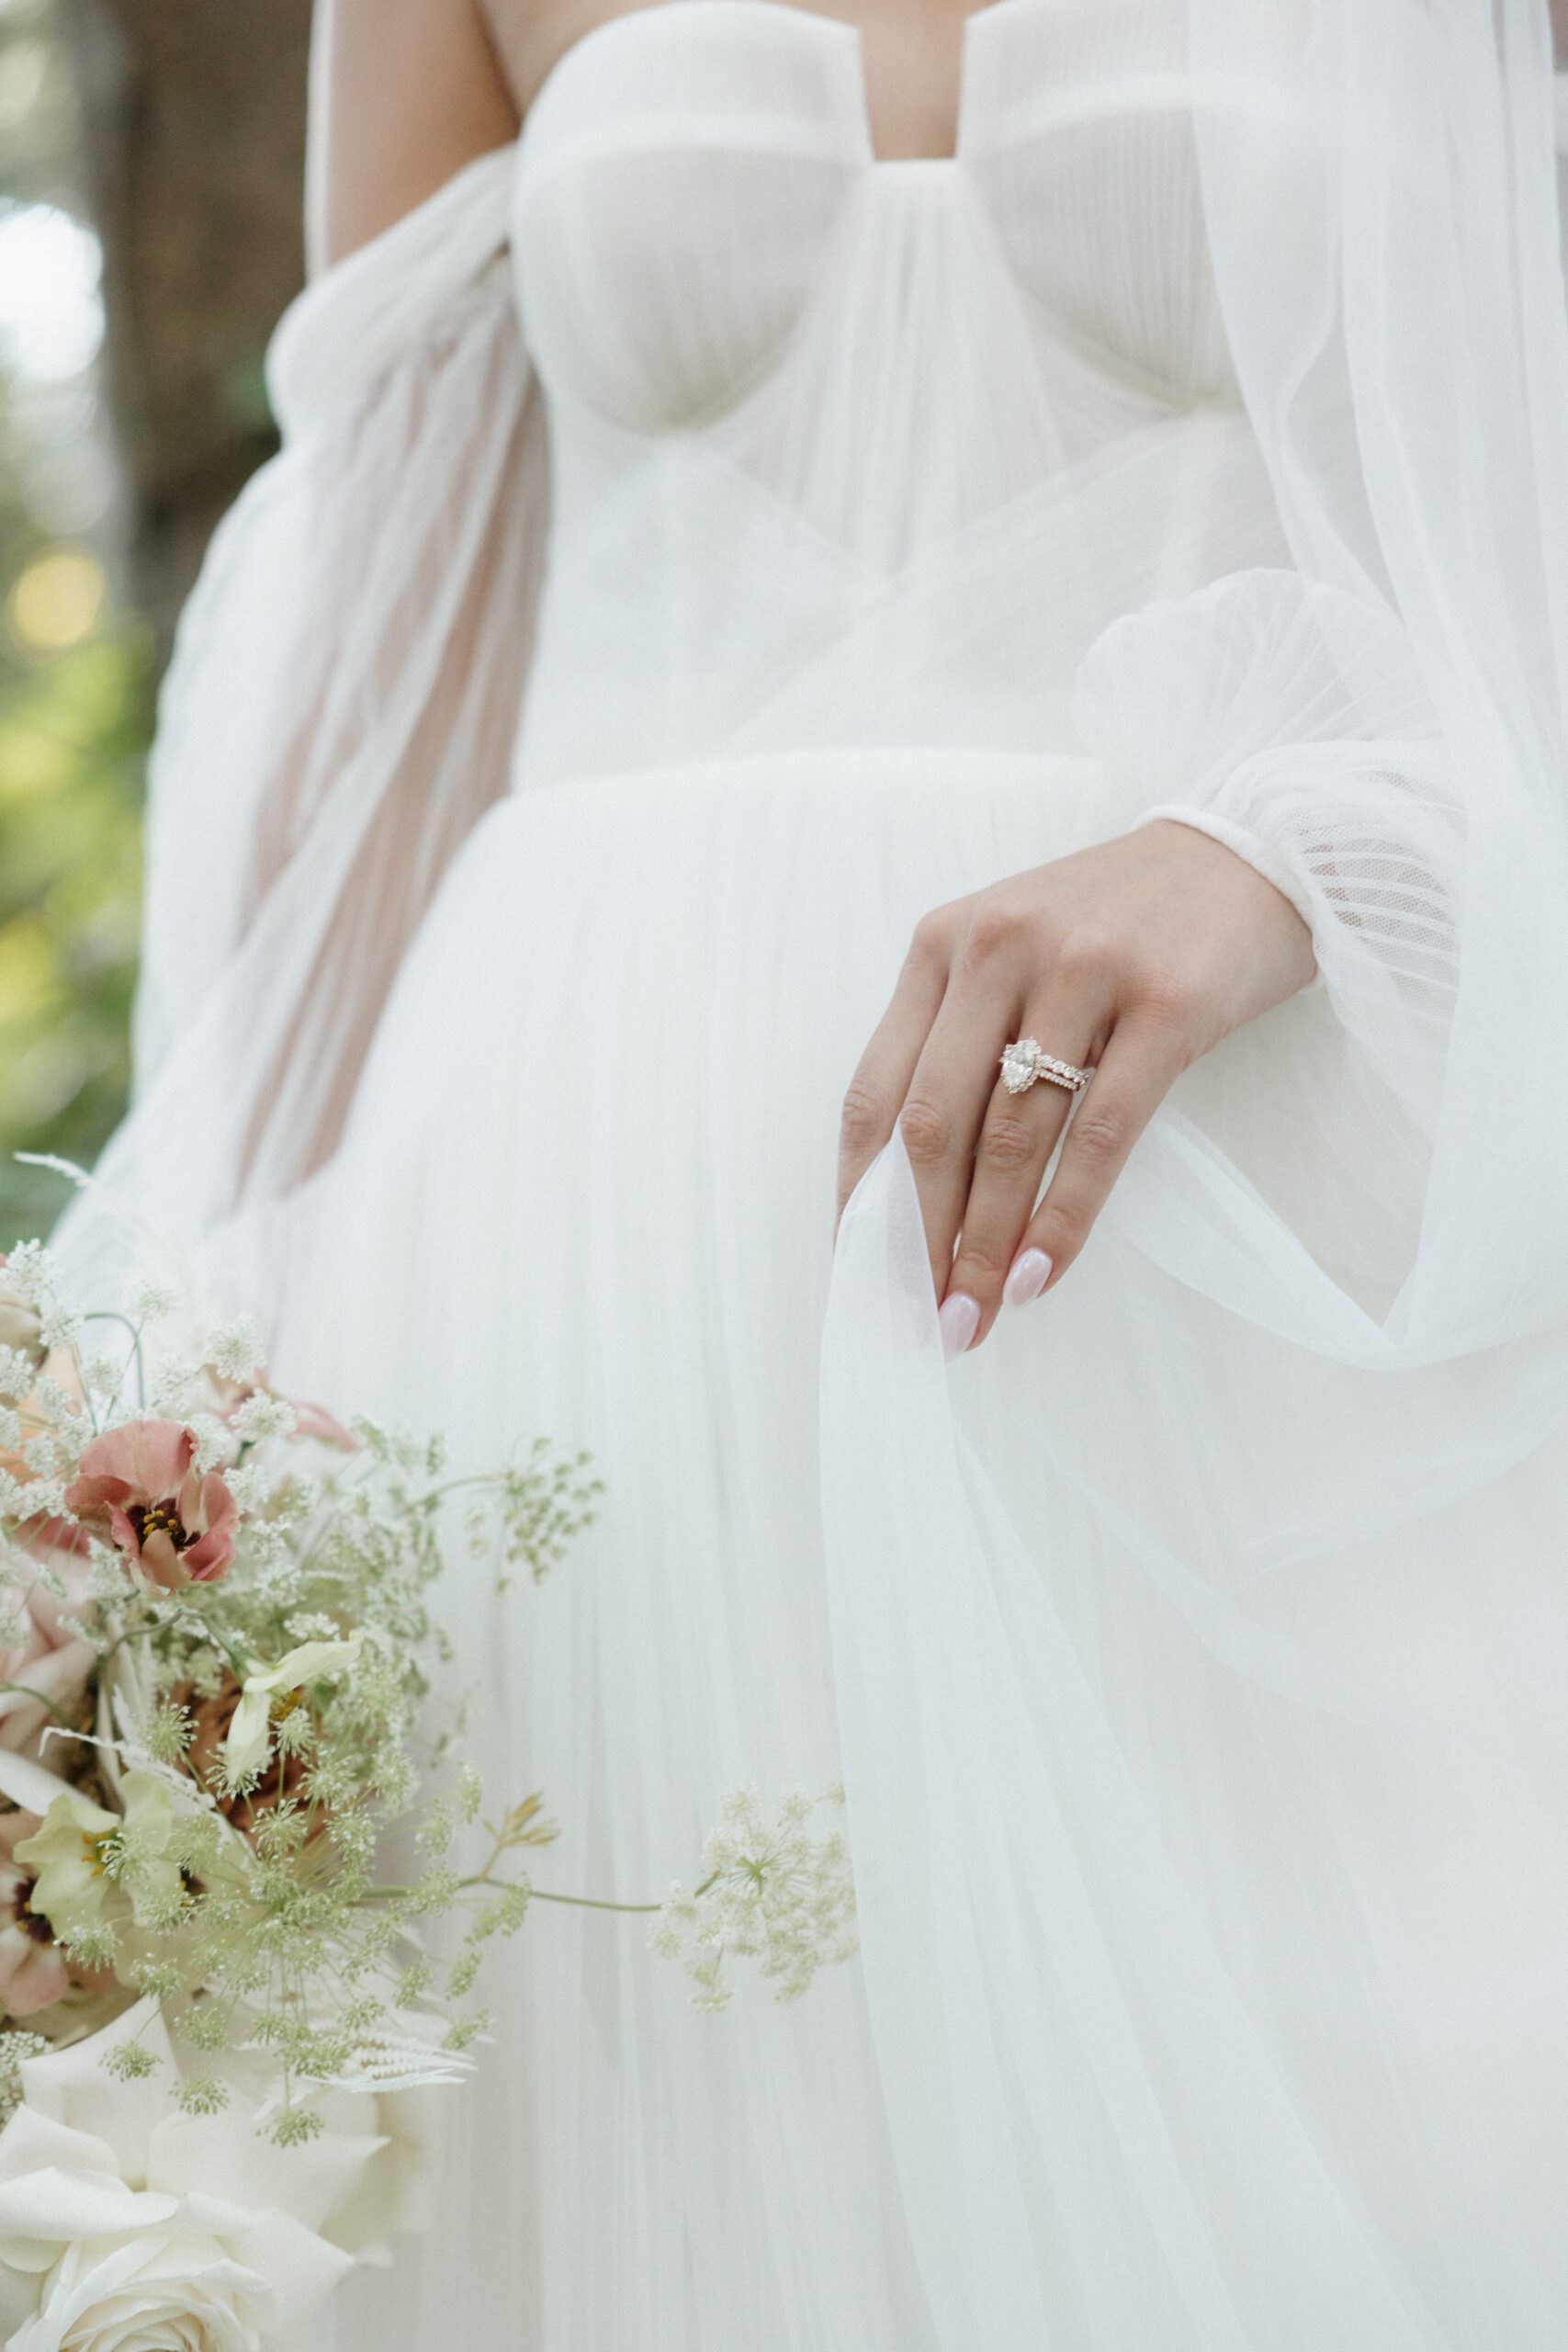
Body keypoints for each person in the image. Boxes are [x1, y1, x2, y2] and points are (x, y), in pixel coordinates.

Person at [58, 2, 1568, 2343]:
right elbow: (385, 659)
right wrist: (161, 1389)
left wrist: (1298, 851)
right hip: (554, 1205)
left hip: (1227, 1202)